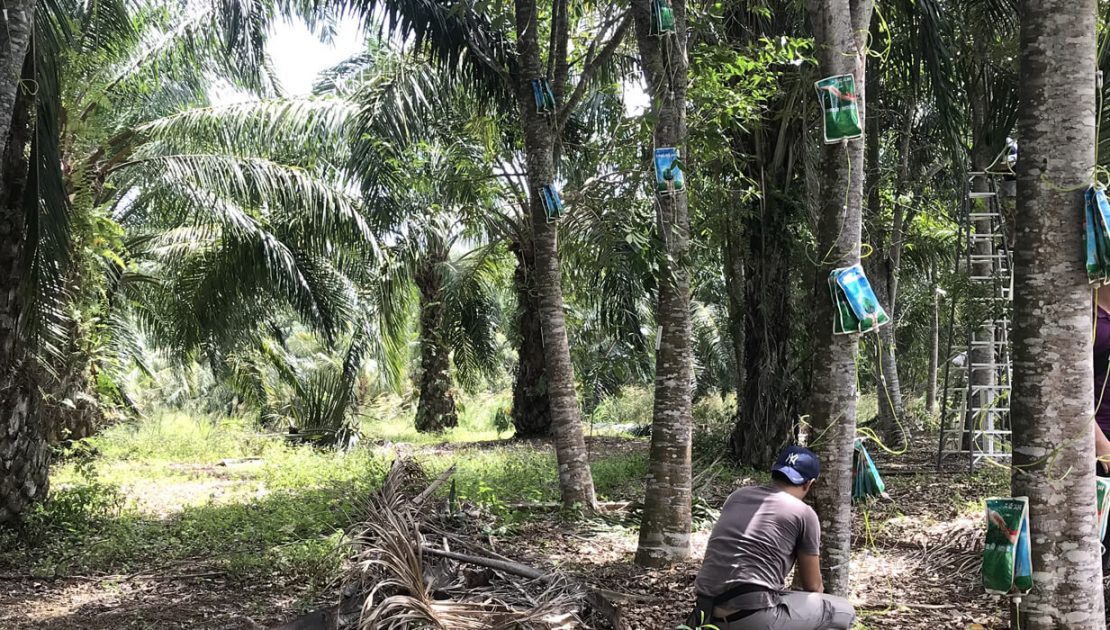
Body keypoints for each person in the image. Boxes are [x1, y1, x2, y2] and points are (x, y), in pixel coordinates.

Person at [686, 446, 855, 630]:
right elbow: (813, 586)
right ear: (809, 484)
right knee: (842, 611)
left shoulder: (737, 496)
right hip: (751, 616)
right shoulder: (804, 513)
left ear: (775, 473)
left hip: (705, 612)